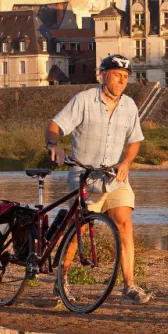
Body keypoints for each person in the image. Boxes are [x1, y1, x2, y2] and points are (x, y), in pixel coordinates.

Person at [45, 54, 151, 305]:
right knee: (78, 230)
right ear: (102, 75)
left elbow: (135, 140)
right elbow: (54, 125)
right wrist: (53, 144)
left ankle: (129, 286)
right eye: (117, 75)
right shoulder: (83, 100)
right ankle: (61, 281)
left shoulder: (130, 106)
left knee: (124, 223)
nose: (122, 81)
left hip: (115, 177)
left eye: (125, 77)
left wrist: (126, 162)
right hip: (84, 177)